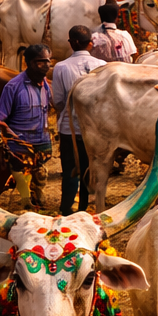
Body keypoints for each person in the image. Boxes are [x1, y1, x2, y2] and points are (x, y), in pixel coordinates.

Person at [52, 26, 105, 214]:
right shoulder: (102, 65)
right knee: (90, 168)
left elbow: (58, 101)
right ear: (90, 43)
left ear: (71, 43)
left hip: (70, 129)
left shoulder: (61, 67)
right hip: (95, 129)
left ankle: (67, 208)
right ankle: (84, 206)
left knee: (70, 169)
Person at [0, 43, 53, 208]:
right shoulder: (13, 87)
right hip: (19, 142)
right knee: (21, 175)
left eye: (48, 61)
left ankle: (37, 197)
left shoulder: (46, 85)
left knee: (41, 173)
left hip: (42, 140)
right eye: (41, 62)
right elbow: (0, 116)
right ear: (28, 63)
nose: (46, 65)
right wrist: (6, 133)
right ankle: (26, 202)